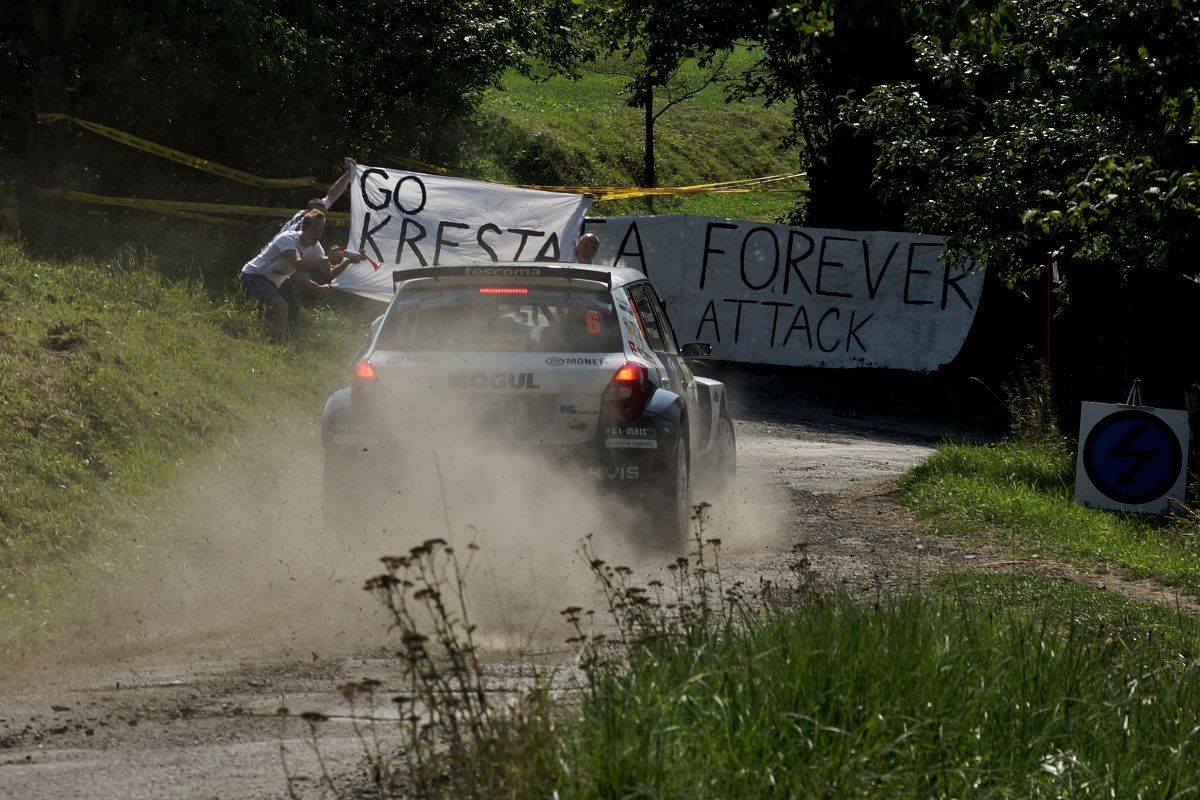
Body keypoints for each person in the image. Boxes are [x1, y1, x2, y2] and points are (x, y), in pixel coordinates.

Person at [240, 209, 361, 340]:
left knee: (292, 310)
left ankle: (278, 338)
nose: (318, 234)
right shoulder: (288, 238)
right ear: (304, 227)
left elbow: (329, 273)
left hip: (274, 281)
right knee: (281, 306)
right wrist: (324, 260)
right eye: (315, 229)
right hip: (253, 276)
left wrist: (348, 261)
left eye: (321, 230)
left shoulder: (316, 247)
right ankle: (278, 343)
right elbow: (297, 263)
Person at [280, 157, 356, 234]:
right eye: (317, 214)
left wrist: (350, 173)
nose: (320, 217)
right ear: (307, 214)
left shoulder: (306, 217)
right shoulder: (298, 233)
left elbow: (332, 195)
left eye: (323, 215)